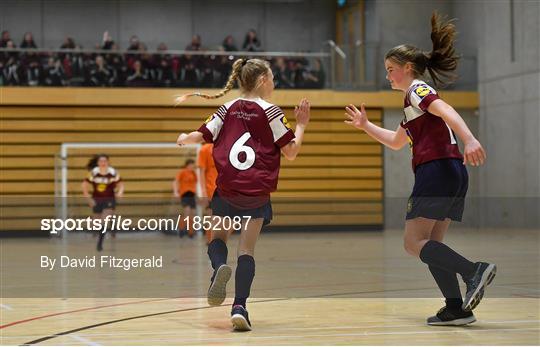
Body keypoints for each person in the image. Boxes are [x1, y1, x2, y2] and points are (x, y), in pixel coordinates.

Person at [344, 12, 496, 326]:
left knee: (412, 243)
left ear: (407, 68)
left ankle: (474, 271)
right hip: (452, 173)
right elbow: (397, 141)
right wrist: (366, 126)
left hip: (436, 171)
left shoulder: (418, 90)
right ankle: (456, 307)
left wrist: (470, 138)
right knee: (431, 245)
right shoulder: (412, 107)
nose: (388, 77)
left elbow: (446, 108)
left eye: (390, 70)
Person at [175, 58, 310, 331]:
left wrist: (183, 138)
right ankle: (240, 307)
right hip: (256, 193)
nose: (274, 83)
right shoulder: (271, 112)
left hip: (227, 189)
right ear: (262, 81)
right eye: (272, 78)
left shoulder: (226, 109)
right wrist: (302, 124)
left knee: (217, 238)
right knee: (247, 250)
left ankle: (219, 267)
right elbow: (291, 152)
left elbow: (199, 135)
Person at [82, 154, 124, 252]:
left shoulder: (113, 172)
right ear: (98, 163)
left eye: (105, 161)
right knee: (96, 222)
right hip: (97, 199)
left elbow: (120, 184)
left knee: (104, 220)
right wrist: (88, 198)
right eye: (101, 161)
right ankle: (106, 229)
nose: (103, 163)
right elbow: (84, 185)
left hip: (109, 199)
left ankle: (100, 243)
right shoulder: (93, 172)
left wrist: (120, 192)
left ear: (108, 162)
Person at [198, 143, 218, 244]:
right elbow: (201, 172)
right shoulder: (205, 149)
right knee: (211, 216)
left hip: (225, 190)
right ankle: (210, 240)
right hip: (211, 190)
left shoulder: (226, 147)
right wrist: (203, 192)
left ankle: (216, 239)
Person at [173, 159, 198, 238]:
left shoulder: (194, 173)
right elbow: (175, 181)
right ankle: (181, 229)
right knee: (187, 212)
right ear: (187, 165)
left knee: (193, 214)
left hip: (192, 195)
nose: (192, 167)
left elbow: (195, 184)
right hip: (185, 194)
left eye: (193, 165)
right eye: (191, 165)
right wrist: (176, 192)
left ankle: (191, 232)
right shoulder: (182, 172)